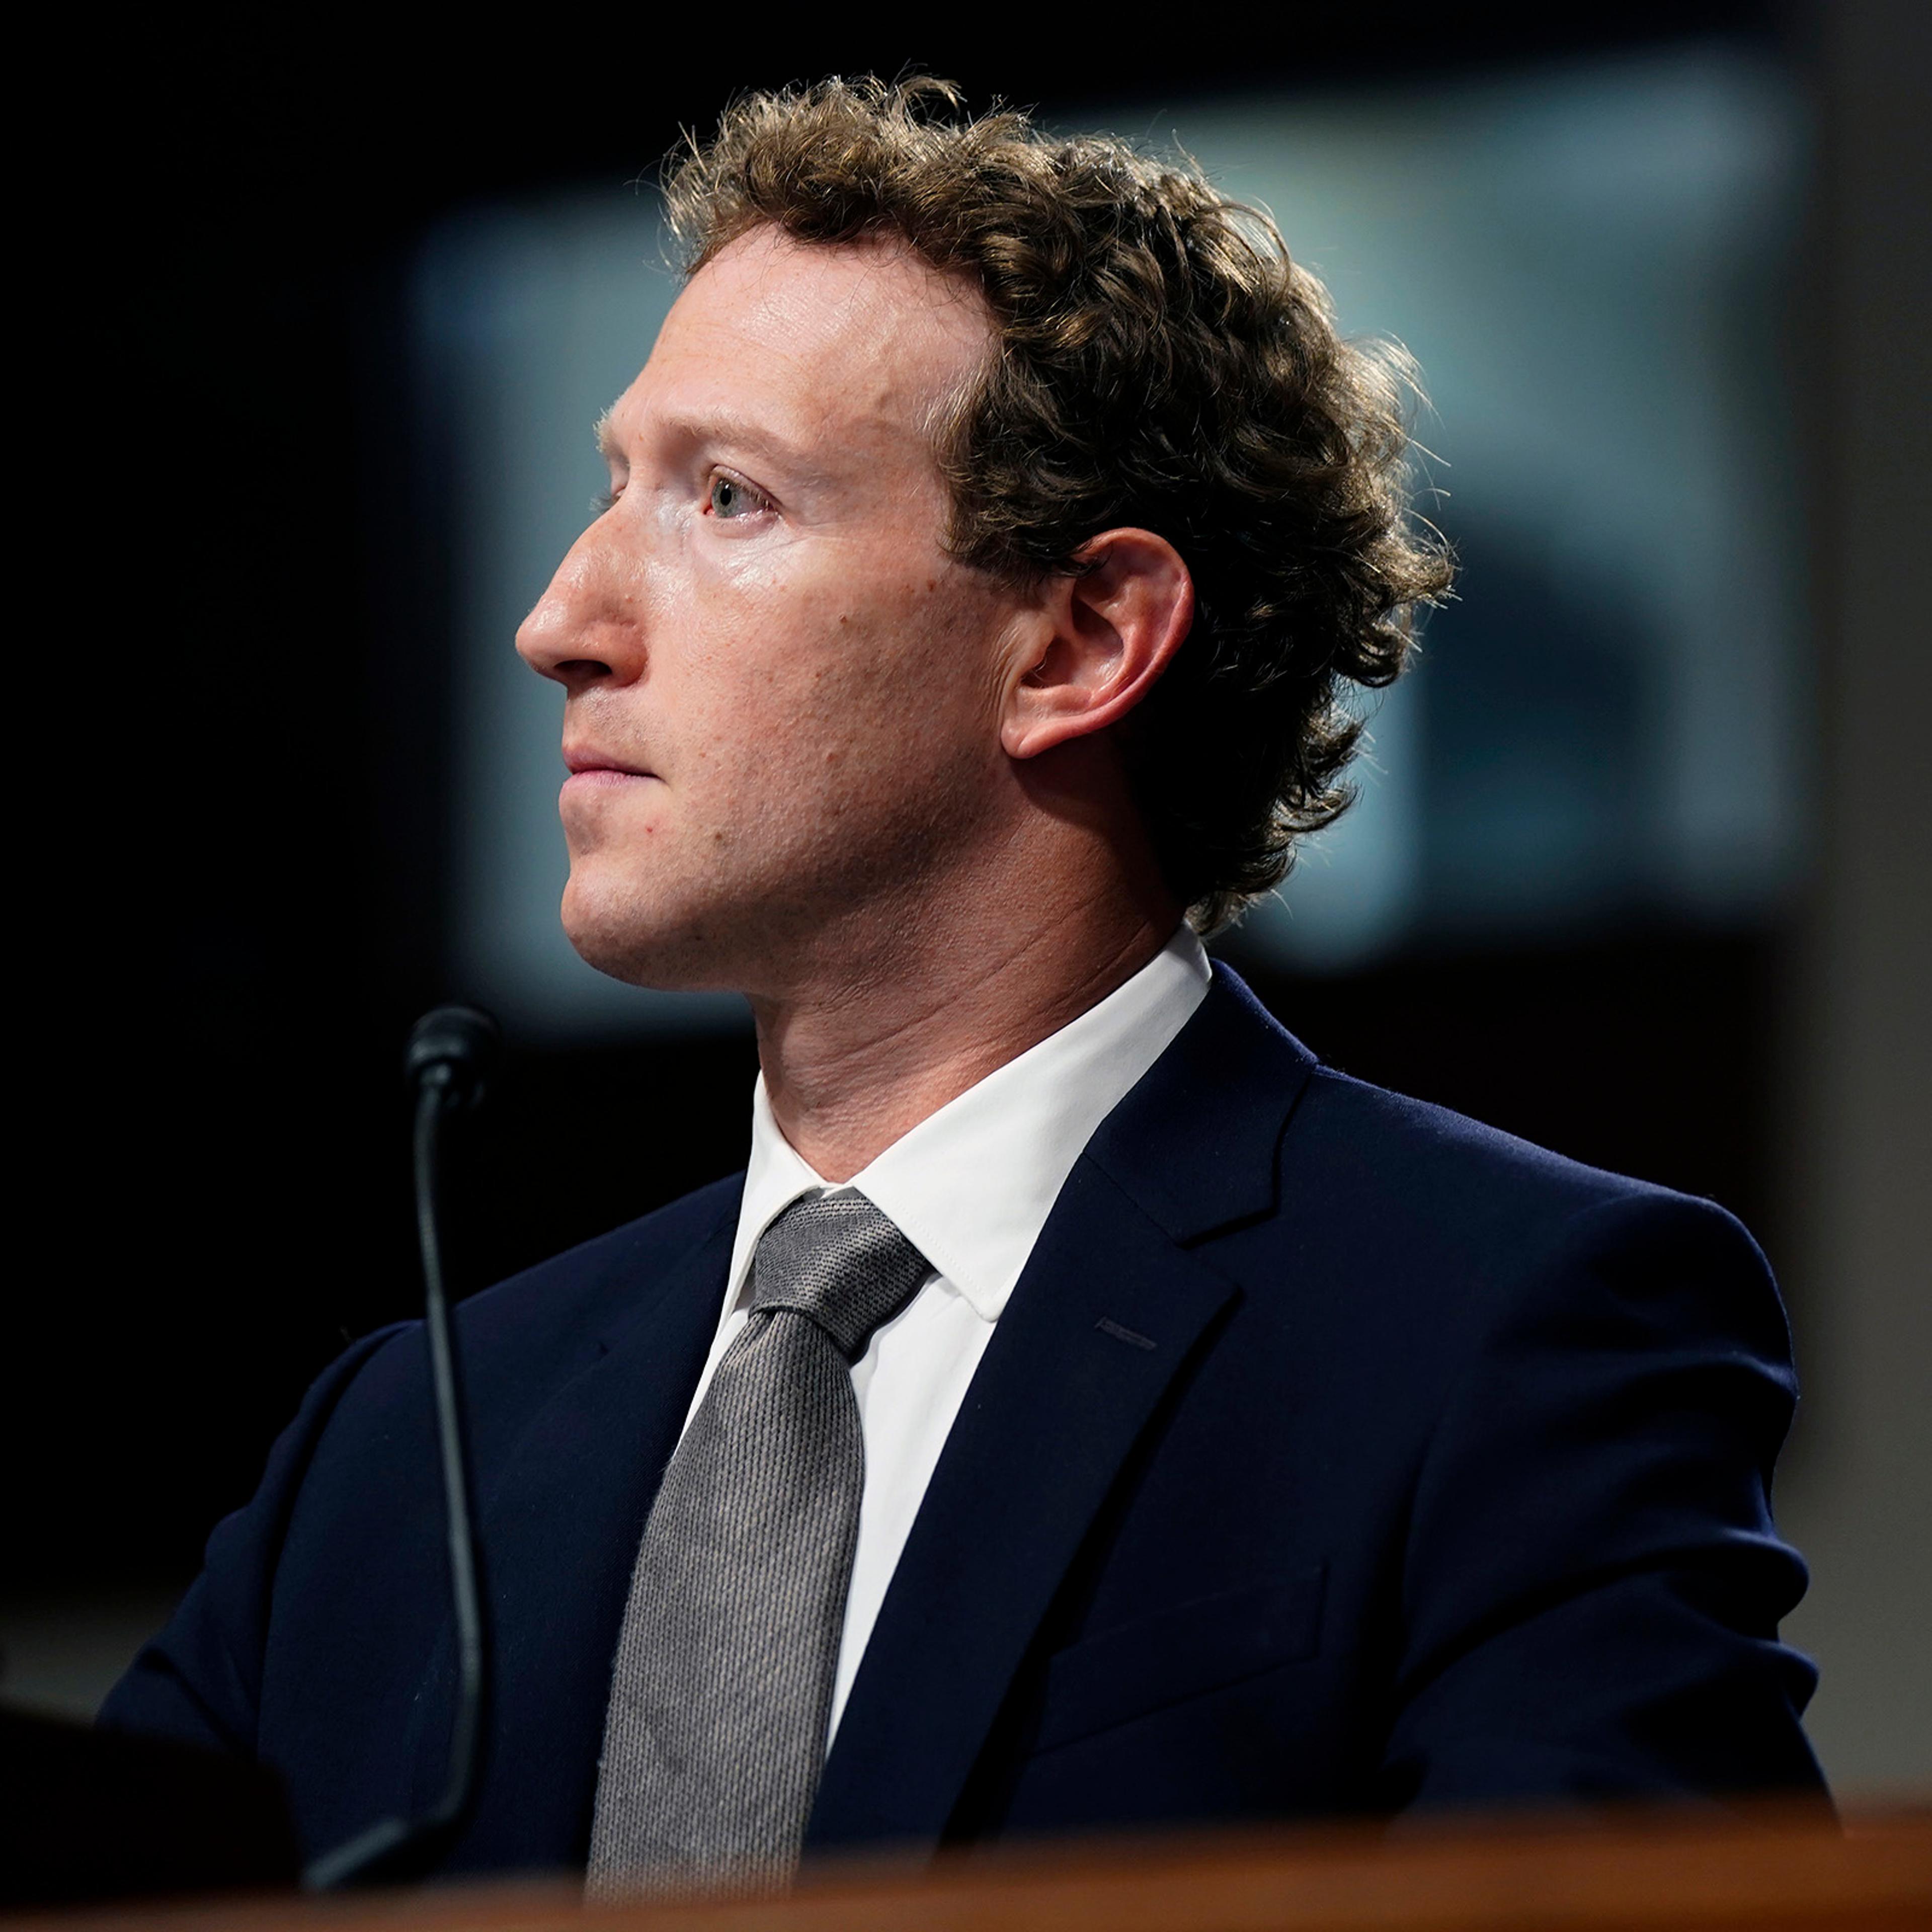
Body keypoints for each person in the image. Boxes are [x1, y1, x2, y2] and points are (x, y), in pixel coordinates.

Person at [102, 76, 1826, 1894]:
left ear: (1079, 639)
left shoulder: (1511, 1330)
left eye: (728, 498)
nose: (561, 621)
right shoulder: (394, 1452)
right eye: (610, 488)